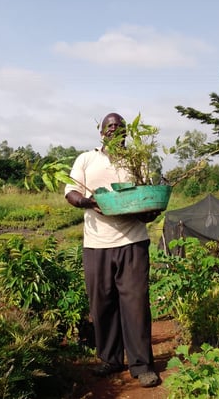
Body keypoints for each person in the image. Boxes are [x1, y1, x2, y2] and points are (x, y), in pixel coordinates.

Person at [64, 112, 160, 388]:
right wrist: (87, 202)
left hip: (132, 241)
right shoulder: (86, 159)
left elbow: (145, 197)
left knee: (136, 304)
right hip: (96, 243)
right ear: (101, 132)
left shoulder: (138, 161)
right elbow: (70, 191)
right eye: (109, 126)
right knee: (102, 303)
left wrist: (149, 213)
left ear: (126, 133)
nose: (114, 130)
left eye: (119, 126)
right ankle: (110, 359)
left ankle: (142, 365)